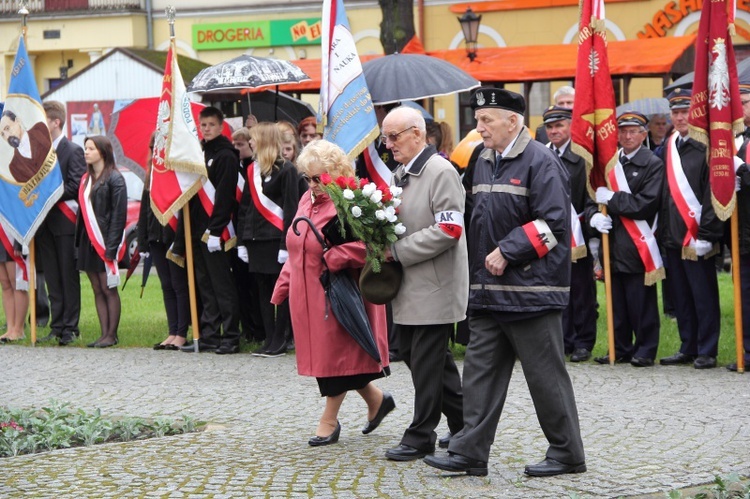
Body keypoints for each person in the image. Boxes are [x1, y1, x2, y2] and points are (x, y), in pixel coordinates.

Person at [424, 87, 585, 478]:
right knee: (479, 373)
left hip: (530, 292)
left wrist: (508, 251)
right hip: (488, 292)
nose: (478, 128)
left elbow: (554, 225)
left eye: (486, 121)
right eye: (477, 120)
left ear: (513, 121)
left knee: (545, 379)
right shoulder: (482, 158)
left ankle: (567, 454)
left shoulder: (541, 161)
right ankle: (469, 452)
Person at [271, 139, 394, 446]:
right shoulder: (304, 201)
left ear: (336, 174)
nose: (313, 185)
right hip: (306, 296)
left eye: (319, 179)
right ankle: (377, 401)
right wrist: (283, 286)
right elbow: (298, 249)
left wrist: (336, 257)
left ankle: (329, 420)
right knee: (336, 359)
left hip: (338, 295)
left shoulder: (351, 203)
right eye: (308, 179)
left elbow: (375, 246)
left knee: (336, 359)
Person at [381, 106, 467, 462]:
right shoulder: (401, 172)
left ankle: (420, 435)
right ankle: (466, 423)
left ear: (417, 133)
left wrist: (397, 251)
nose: (388, 145)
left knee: (427, 362)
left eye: (394, 137)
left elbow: (449, 230)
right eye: (385, 138)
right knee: (424, 359)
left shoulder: (440, 170)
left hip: (434, 284)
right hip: (410, 285)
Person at [588, 111, 664, 367]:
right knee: (617, 302)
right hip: (613, 243)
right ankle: (619, 347)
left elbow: (646, 204)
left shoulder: (652, 164)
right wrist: (593, 217)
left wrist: (613, 199)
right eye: (623, 131)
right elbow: (593, 198)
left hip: (637, 244)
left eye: (633, 131)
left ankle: (645, 348)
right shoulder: (610, 163)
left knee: (640, 302)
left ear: (644, 135)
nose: (627, 136)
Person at [657, 89, 723, 369]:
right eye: (676, 112)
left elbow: (713, 192)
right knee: (681, 295)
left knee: (703, 295)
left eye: (685, 112)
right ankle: (688, 345)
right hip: (673, 234)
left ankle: (707, 349)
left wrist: (708, 234)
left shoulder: (706, 146)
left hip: (698, 235)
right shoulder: (669, 145)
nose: (681, 117)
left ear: (694, 114)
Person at [179, 107, 241, 354]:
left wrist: (216, 230)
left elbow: (225, 195)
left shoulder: (226, 155)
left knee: (222, 285)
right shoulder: (198, 153)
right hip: (197, 227)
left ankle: (231, 336)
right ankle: (210, 334)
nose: (206, 129)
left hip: (217, 231)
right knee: (204, 284)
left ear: (221, 125)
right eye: (203, 125)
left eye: (211, 125)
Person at [237, 122, 301, 357]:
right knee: (263, 291)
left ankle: (281, 339)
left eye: (253, 138)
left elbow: (291, 209)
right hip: (256, 240)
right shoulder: (252, 170)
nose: (250, 142)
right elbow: (245, 209)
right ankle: (269, 337)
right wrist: (242, 241)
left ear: (264, 140)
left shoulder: (287, 170)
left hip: (276, 240)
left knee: (281, 291)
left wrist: (286, 244)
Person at [542, 105, 598, 362]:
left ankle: (583, 341)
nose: (554, 131)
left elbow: (589, 196)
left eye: (559, 126)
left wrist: (589, 223)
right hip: (550, 234)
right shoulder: (541, 155)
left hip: (578, 235)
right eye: (550, 127)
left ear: (570, 127)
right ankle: (562, 340)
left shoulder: (581, 157)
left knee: (581, 291)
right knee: (556, 290)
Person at [34, 101, 86, 346]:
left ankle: (70, 327)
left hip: (64, 223)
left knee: (67, 275)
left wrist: (50, 193)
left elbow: (76, 186)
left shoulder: (72, 150)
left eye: (44, 120)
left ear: (56, 122)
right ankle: (56, 325)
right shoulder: (39, 152)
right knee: (53, 277)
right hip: (44, 223)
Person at [139, 133, 190, 351]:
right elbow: (144, 211)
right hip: (155, 237)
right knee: (166, 285)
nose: (155, 153)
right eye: (153, 148)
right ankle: (172, 331)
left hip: (172, 236)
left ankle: (181, 333)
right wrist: (143, 242)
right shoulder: (150, 176)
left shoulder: (177, 175)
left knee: (179, 285)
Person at [75, 136, 127, 348]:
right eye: (85, 148)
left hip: (105, 241)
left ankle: (112, 335)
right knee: (97, 288)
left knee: (108, 288)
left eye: (90, 148)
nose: (86, 152)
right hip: (88, 240)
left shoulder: (115, 178)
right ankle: (103, 333)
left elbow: (118, 215)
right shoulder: (85, 179)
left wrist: (112, 247)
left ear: (103, 152)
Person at [230, 127, 265, 344]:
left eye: (241, 144)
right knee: (241, 284)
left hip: (256, 234)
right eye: (235, 145)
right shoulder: (237, 167)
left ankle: (259, 328)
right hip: (238, 231)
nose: (238, 149)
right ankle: (248, 328)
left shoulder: (255, 168)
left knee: (255, 286)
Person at [731, 81, 750, 372]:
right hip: (744, 233)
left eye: (745, 103)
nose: (741, 110)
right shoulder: (736, 141)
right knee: (744, 294)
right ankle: (746, 350)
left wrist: (743, 172)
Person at [0, 109, 53, 183]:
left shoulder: (40, 129)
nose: (7, 136)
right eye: (2, 134)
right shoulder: (14, 167)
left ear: (17, 121)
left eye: (7, 128)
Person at [0, 239, 28, 343]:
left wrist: (19, 243)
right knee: (5, 284)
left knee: (17, 283)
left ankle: (18, 329)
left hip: (11, 237)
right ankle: (10, 328)